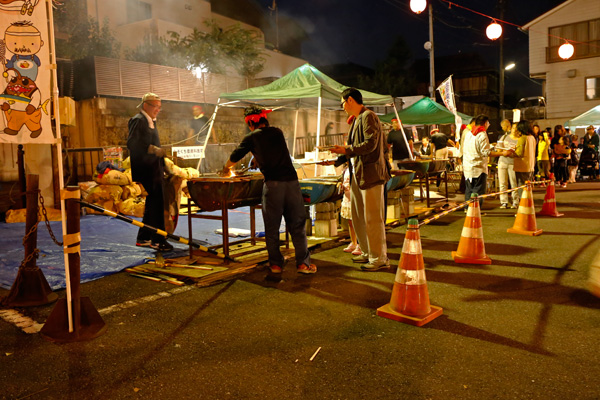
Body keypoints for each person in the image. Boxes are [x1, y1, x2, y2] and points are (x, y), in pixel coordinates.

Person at [222, 106, 316, 275]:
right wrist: (258, 159)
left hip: (273, 186)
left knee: (272, 227)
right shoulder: (278, 132)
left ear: (251, 122)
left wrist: (225, 167)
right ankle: (303, 264)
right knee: (297, 225)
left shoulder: (251, 137)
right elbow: (275, 152)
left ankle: (276, 265)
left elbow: (235, 156)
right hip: (292, 183)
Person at [330, 88, 391, 271]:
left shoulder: (368, 116)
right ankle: (367, 252)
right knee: (359, 217)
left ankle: (379, 258)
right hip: (359, 173)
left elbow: (370, 144)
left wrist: (346, 150)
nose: (343, 108)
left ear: (349, 100)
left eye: (342, 103)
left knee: (373, 218)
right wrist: (339, 157)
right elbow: (356, 147)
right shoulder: (358, 119)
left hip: (370, 175)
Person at [127, 93, 173, 252]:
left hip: (154, 168)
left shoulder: (150, 121)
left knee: (152, 203)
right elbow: (132, 143)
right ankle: (158, 239)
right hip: (146, 168)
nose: (158, 110)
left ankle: (144, 237)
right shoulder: (138, 120)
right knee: (157, 204)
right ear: (145, 105)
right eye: (155, 107)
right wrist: (153, 149)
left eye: (160, 107)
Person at [461, 114, 511, 208]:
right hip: (478, 167)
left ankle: (467, 209)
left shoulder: (469, 133)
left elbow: (476, 148)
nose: (489, 125)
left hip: (468, 166)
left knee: (469, 189)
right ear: (485, 123)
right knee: (478, 190)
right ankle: (475, 211)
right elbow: (486, 152)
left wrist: (491, 145)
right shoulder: (482, 134)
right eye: (488, 123)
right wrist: (503, 153)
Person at [497, 120, 519, 209]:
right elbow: (498, 149)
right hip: (502, 161)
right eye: (513, 128)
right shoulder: (504, 136)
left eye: (516, 128)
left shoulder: (520, 139)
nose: (514, 130)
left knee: (514, 183)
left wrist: (513, 153)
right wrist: (503, 151)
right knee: (502, 183)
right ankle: (504, 202)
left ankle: (515, 201)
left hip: (513, 163)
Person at [513, 120, 537, 199]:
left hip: (522, 166)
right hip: (530, 165)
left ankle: (523, 204)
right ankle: (528, 203)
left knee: (521, 186)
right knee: (528, 186)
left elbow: (519, 153)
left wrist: (510, 151)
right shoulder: (532, 138)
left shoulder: (522, 138)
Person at [340, 166, 362, 255]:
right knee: (350, 221)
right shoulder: (346, 169)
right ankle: (353, 242)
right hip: (347, 196)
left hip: (356, 196)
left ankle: (361, 244)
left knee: (359, 221)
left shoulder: (358, 166)